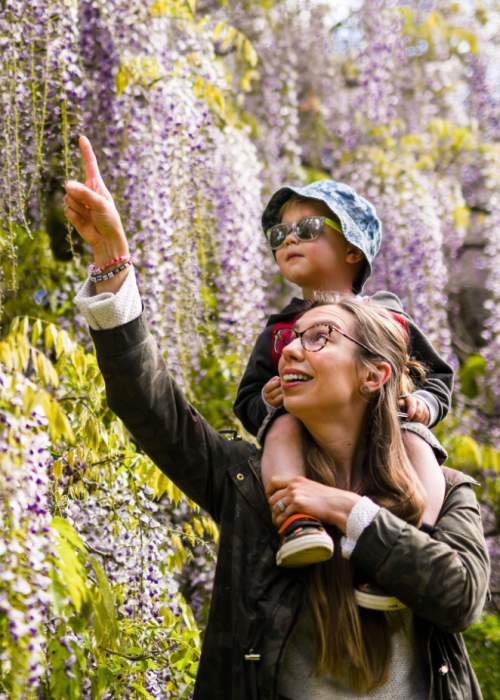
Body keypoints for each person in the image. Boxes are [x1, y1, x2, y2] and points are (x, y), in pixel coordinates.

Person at [65, 136, 489, 700]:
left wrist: (347, 510)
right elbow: (149, 404)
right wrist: (113, 262)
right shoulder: (251, 484)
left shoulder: (451, 490)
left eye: (320, 338)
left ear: (375, 374)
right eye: (293, 340)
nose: (289, 350)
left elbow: (458, 596)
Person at [233, 181, 454, 582]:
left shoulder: (388, 320)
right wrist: (267, 402)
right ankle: (297, 521)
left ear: (352, 250)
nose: (289, 240)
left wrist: (425, 403)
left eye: (308, 228)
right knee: (279, 427)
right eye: (279, 234)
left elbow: (438, 377)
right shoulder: (279, 332)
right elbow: (247, 403)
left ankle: (413, 537)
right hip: (312, 445)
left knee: (416, 438)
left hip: (387, 435)